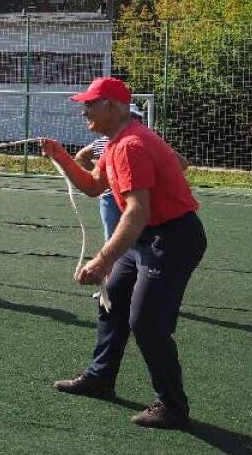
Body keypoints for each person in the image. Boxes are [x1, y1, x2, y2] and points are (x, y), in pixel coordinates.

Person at [41, 76, 206, 429]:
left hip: (173, 238)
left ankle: (172, 405)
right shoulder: (113, 141)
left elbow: (137, 211)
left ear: (112, 107)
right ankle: (101, 378)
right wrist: (62, 158)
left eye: (90, 103)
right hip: (149, 235)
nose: (83, 109)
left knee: (146, 321)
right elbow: (93, 186)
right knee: (113, 299)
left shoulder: (131, 144)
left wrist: (102, 260)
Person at [75, 104, 146, 243]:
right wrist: (106, 177)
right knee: (113, 238)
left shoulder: (142, 141)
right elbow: (80, 157)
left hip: (136, 195)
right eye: (131, 118)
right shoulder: (105, 143)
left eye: (136, 119)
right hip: (111, 197)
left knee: (139, 238)